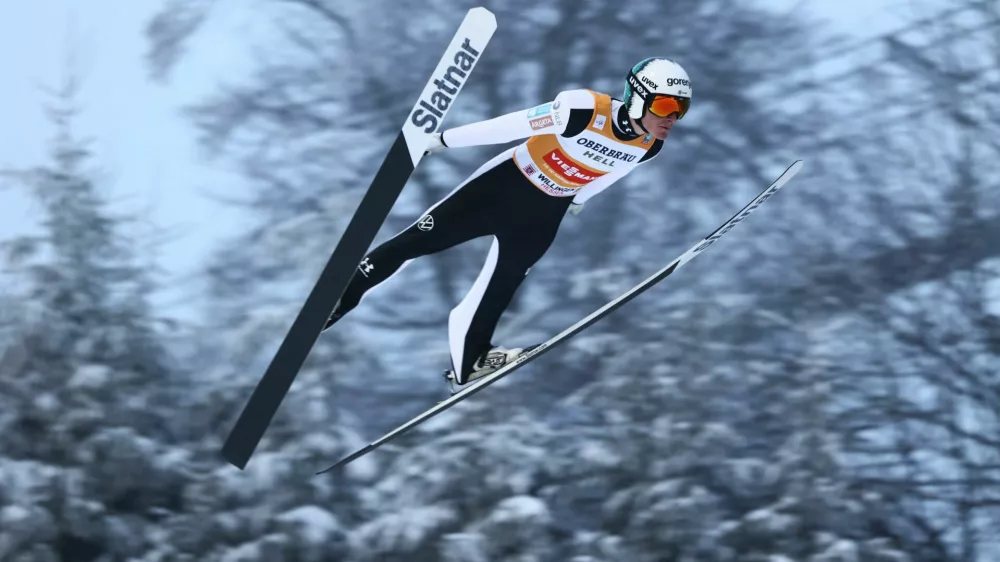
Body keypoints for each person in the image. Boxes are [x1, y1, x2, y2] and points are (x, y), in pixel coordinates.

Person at [323, 57, 692, 389]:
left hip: (546, 213)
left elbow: (616, 170)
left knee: (502, 285)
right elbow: (510, 126)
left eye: (681, 110)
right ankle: (343, 294)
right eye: (665, 106)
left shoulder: (649, 145)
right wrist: (444, 140)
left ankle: (470, 360)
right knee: (418, 241)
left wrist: (580, 199)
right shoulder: (582, 109)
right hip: (503, 187)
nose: (671, 118)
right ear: (637, 97)